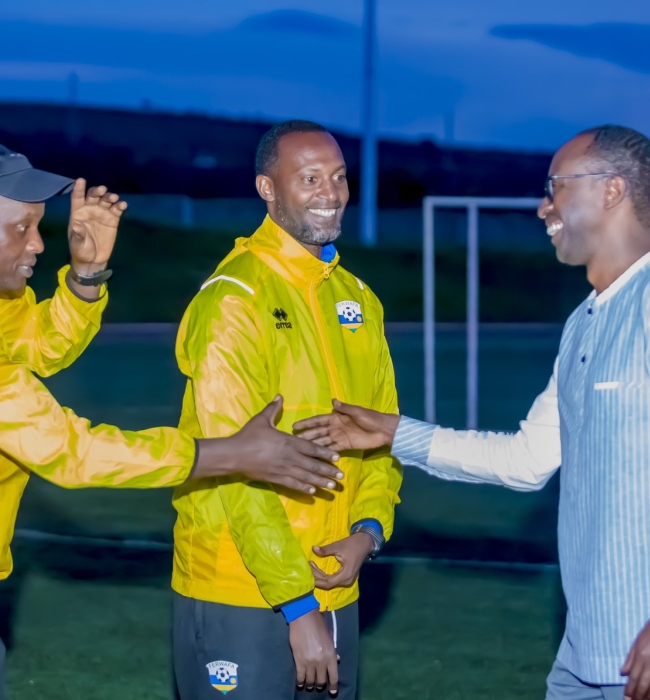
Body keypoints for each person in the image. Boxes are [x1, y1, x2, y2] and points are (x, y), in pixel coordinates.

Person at [0, 142, 345, 700]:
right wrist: (227, 453)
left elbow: (33, 346)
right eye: (22, 228)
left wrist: (85, 278)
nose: (39, 243)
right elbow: (64, 448)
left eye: (39, 225)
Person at [296, 125, 650, 700]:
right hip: (586, 651)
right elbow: (526, 460)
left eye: (556, 188)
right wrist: (395, 434)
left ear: (613, 191)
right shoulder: (584, 323)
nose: (544, 207)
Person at [170, 120, 402, 700]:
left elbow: (380, 435)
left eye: (339, 177)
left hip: (335, 586)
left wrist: (367, 532)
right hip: (242, 590)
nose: (331, 192)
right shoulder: (233, 300)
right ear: (267, 189)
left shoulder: (356, 298)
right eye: (309, 178)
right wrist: (296, 606)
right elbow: (235, 466)